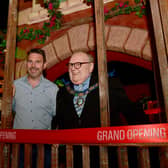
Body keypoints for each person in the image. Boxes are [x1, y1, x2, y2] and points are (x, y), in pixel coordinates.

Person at [52, 51, 148, 168]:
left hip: (105, 157)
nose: (73, 68)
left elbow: (132, 113)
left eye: (78, 64)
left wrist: (146, 134)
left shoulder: (108, 85)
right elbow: (57, 121)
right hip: (74, 159)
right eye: (71, 65)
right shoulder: (62, 93)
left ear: (91, 67)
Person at [12, 48, 59, 168]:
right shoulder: (15, 86)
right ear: (26, 64)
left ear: (44, 65)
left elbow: (58, 117)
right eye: (30, 61)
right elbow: (9, 111)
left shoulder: (53, 89)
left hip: (44, 145)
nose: (33, 65)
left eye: (38, 62)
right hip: (19, 145)